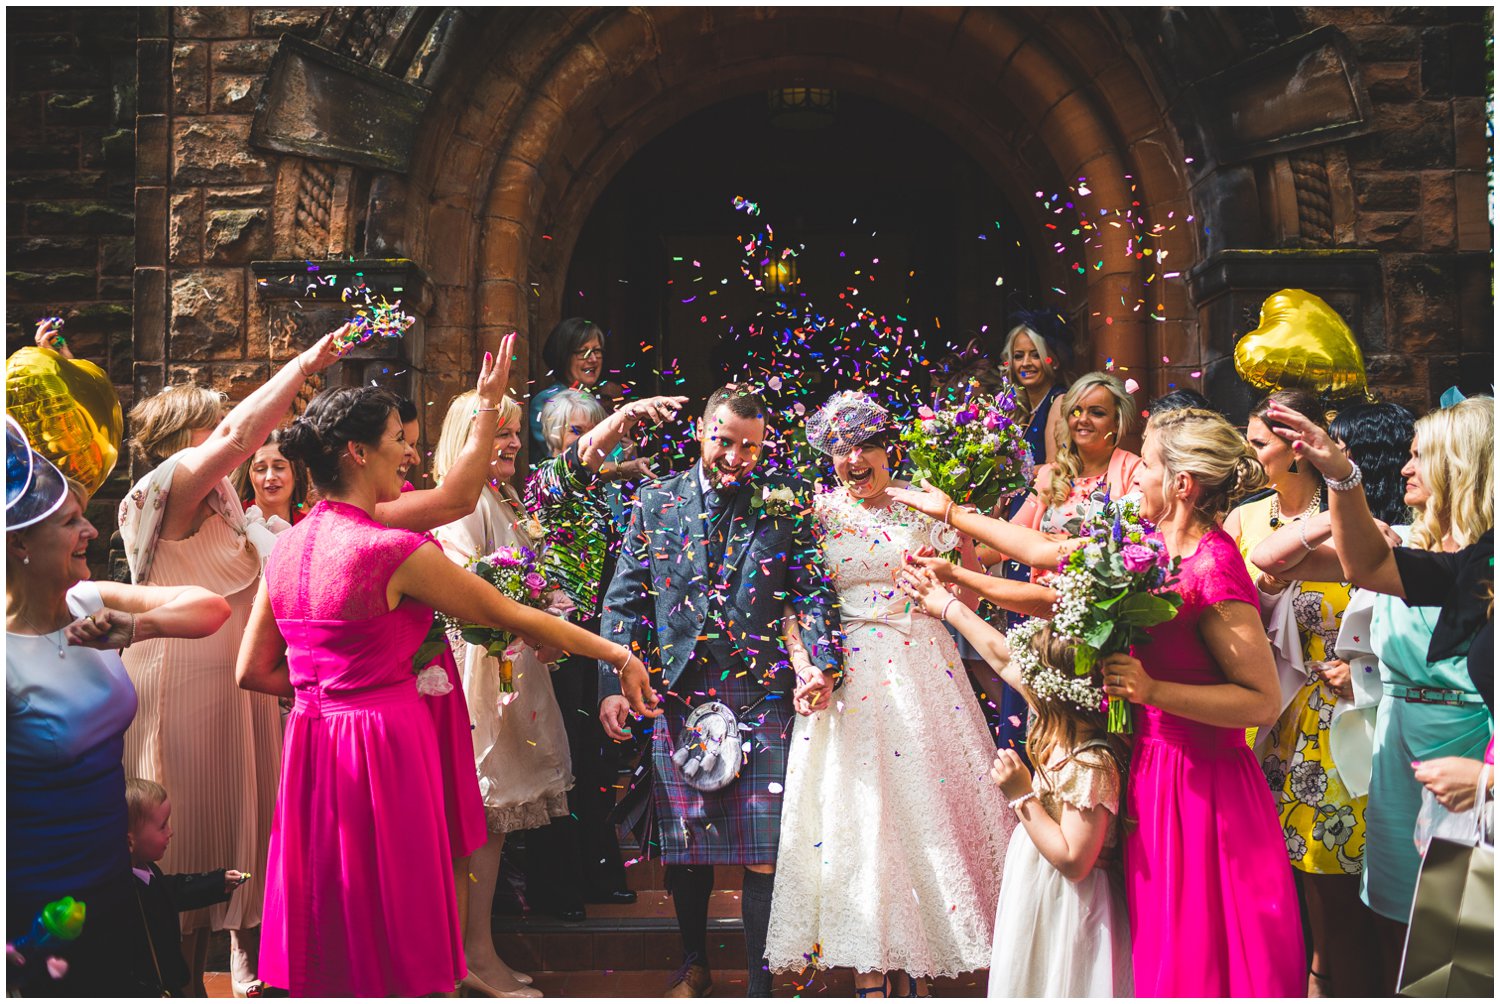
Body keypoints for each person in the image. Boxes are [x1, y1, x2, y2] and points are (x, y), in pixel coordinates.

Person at [236, 384, 646, 997]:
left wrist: (329, 697)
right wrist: (617, 652)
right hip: (386, 744)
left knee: (333, 900)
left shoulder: (287, 544)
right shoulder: (389, 550)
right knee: (398, 904)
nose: (407, 454)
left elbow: (253, 670)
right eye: (398, 442)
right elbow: (515, 616)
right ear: (356, 452)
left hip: (314, 744)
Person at [117, 326, 343, 996]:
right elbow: (243, 438)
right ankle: (177, 985)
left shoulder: (227, 508)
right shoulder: (165, 491)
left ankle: (254, 979)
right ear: (182, 438)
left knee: (247, 837)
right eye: (210, 426)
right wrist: (304, 365)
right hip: (182, 690)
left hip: (237, 692)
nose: (224, 435)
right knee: (184, 839)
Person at [763, 392, 1014, 997]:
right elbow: (794, 607)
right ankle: (872, 972)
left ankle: (931, 960)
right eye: (842, 449)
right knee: (860, 820)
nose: (855, 460)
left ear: (887, 448)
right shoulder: (815, 516)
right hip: (846, 678)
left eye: (866, 446)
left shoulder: (923, 503)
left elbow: (971, 601)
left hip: (924, 666)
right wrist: (805, 667)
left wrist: (948, 568)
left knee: (928, 814)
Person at [597, 384, 842, 998]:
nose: (737, 457)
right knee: (688, 847)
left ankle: (761, 984)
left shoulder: (784, 504)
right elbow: (624, 598)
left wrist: (820, 661)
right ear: (703, 431)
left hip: (761, 692)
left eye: (751, 447)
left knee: (763, 845)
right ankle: (693, 964)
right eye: (725, 442)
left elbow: (811, 589)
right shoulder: (655, 501)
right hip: (680, 690)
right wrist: (612, 682)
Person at [1261, 396, 1494, 991]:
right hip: (1399, 749)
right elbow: (1359, 565)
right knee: (1402, 918)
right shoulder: (1456, 563)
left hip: (1470, 750)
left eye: (1422, 457)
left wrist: (1488, 779)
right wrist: (1340, 472)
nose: (1406, 470)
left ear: (1460, 465)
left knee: (1461, 943)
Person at [6, 424, 231, 996]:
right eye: (71, 522)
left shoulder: (89, 600)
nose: (91, 530)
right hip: (37, 899)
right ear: (18, 546)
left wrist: (137, 626)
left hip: (112, 873)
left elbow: (210, 608)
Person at [1095, 407, 1304, 996]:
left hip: (1204, 787)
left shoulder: (1213, 566)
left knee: (1212, 956)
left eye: (1147, 465)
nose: (1133, 474)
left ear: (1181, 485)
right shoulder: (1150, 548)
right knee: (1167, 950)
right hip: (1155, 773)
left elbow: (1262, 701)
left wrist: (1152, 691)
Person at [892, 578, 1132, 998]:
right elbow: (1001, 659)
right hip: (1037, 888)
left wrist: (1021, 794)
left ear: (1054, 693)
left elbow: (1075, 861)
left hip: (1070, 907)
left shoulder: (1090, 763)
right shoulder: (1060, 725)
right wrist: (947, 604)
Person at [1221, 389, 1369, 995]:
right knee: (1269, 860)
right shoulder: (1244, 519)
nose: (1249, 455)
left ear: (1298, 450)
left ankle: (1330, 975)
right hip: (1264, 710)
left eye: (1259, 443)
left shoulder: (1350, 513)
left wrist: (1361, 670)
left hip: (1339, 710)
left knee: (1328, 862)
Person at [522, 393, 687, 919]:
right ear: (552, 437)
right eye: (576, 431)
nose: (590, 440)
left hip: (605, 636)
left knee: (597, 759)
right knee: (565, 757)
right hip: (561, 637)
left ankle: (598, 872)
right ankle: (559, 888)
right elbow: (586, 457)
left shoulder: (616, 493)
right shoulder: (547, 480)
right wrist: (626, 415)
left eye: (591, 429)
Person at [433, 390, 567, 997]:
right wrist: (532, 609)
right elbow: (467, 587)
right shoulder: (463, 506)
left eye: (516, 433)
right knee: (482, 819)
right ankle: (471, 955)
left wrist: (547, 604)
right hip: (482, 676)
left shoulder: (501, 496)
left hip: (510, 667)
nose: (512, 443)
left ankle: (476, 946)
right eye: (500, 432)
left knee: (495, 823)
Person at [124, 778, 246, 996]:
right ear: (130, 841)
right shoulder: (124, 893)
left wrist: (218, 882)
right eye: (162, 826)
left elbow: (174, 890)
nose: (170, 832)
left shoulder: (149, 870)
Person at [527, 318, 621, 460]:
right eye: (583, 352)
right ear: (564, 356)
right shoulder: (547, 401)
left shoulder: (598, 404)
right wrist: (621, 467)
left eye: (596, 350)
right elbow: (568, 462)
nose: (593, 359)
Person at [1001, 310, 1073, 467]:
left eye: (1035, 355)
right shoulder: (1022, 411)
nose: (1026, 363)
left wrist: (1008, 477)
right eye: (1019, 356)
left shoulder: (1059, 401)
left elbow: (1054, 468)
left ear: (1054, 361)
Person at [234, 430, 309, 526]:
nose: (270, 477)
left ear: (297, 473)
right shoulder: (233, 521)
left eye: (279, 467)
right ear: (249, 476)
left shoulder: (309, 527)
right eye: (260, 469)